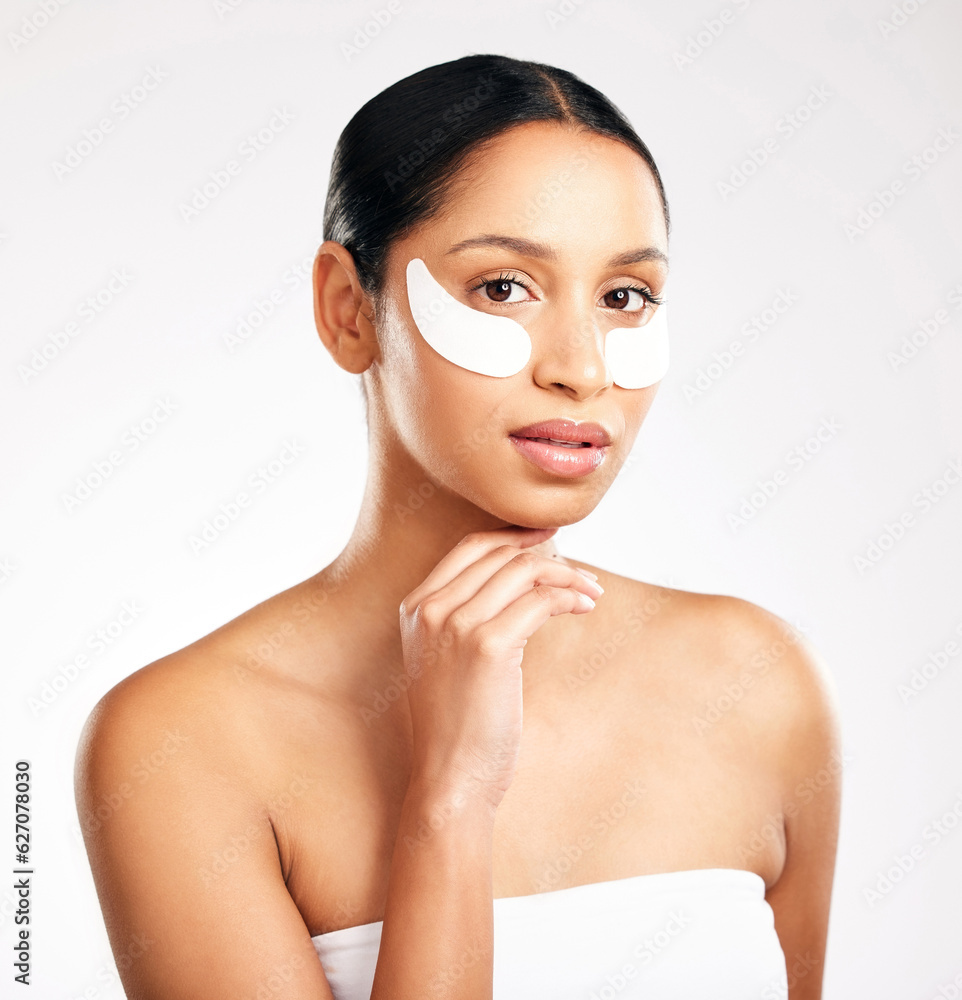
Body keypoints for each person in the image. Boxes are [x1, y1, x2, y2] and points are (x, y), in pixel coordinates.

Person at [75, 53, 841, 999]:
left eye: (625, 297)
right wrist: (447, 804)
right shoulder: (177, 744)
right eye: (505, 288)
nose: (582, 368)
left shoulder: (759, 682)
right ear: (349, 309)